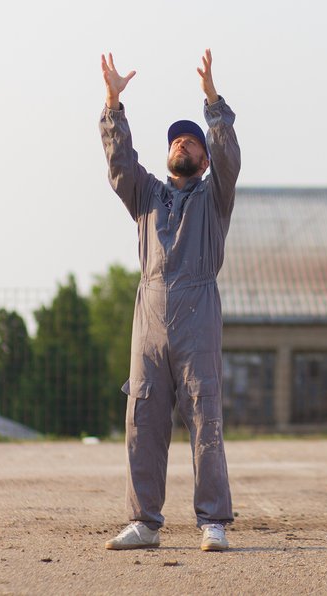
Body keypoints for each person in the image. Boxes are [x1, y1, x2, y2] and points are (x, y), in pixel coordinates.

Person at [99, 48, 240, 553]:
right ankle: (144, 522)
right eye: (175, 138)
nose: (182, 141)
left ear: (203, 159)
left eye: (192, 140)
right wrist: (114, 103)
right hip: (150, 310)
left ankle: (213, 521)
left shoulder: (213, 196)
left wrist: (212, 103)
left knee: (205, 414)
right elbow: (119, 165)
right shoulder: (147, 194)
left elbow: (229, 157)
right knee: (143, 414)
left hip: (198, 311)